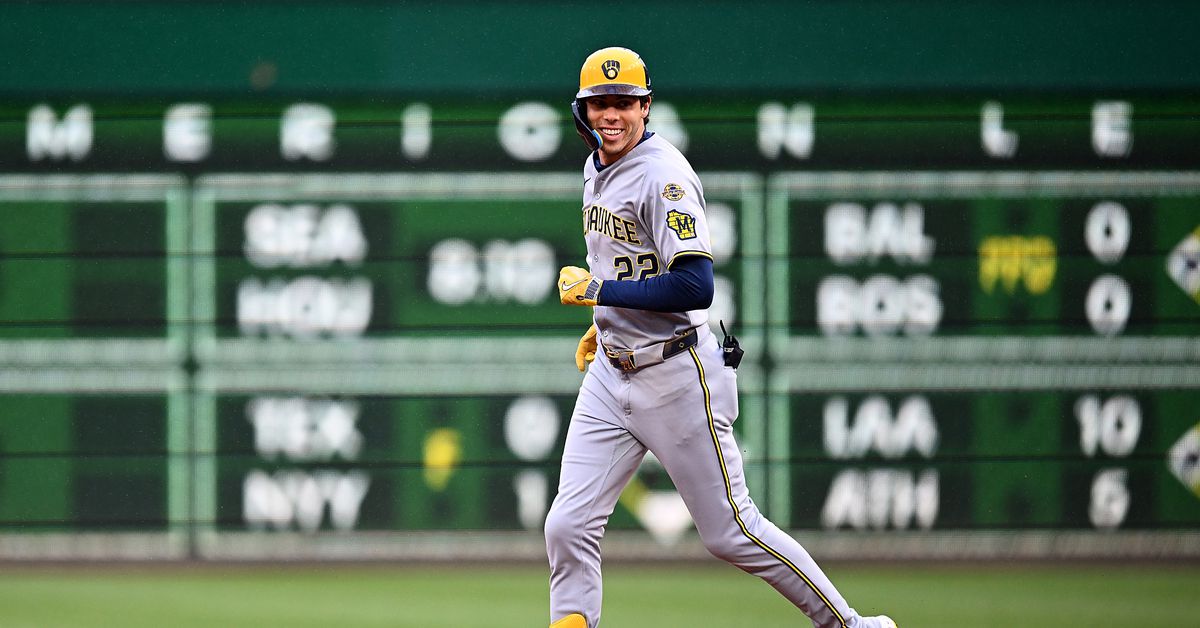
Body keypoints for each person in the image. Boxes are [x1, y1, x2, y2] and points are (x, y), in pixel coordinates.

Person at [544, 46, 899, 628]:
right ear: (582, 109)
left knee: (731, 533)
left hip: (676, 373)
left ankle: (852, 625)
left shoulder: (665, 177)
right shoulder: (596, 166)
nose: (611, 113)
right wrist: (603, 322)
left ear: (646, 106)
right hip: (612, 372)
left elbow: (694, 284)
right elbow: (631, 261)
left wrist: (599, 294)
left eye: (624, 102)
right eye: (599, 102)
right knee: (567, 526)